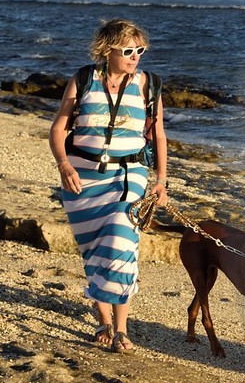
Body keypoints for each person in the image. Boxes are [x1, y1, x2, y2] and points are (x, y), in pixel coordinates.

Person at [49, 18, 168, 353]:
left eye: (139, 50)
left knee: (120, 243)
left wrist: (161, 180)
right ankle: (102, 321)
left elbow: (158, 135)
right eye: (127, 50)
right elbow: (59, 128)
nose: (135, 56)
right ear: (107, 50)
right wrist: (63, 164)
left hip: (128, 177)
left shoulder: (149, 85)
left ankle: (122, 328)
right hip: (82, 180)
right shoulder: (84, 79)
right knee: (95, 253)